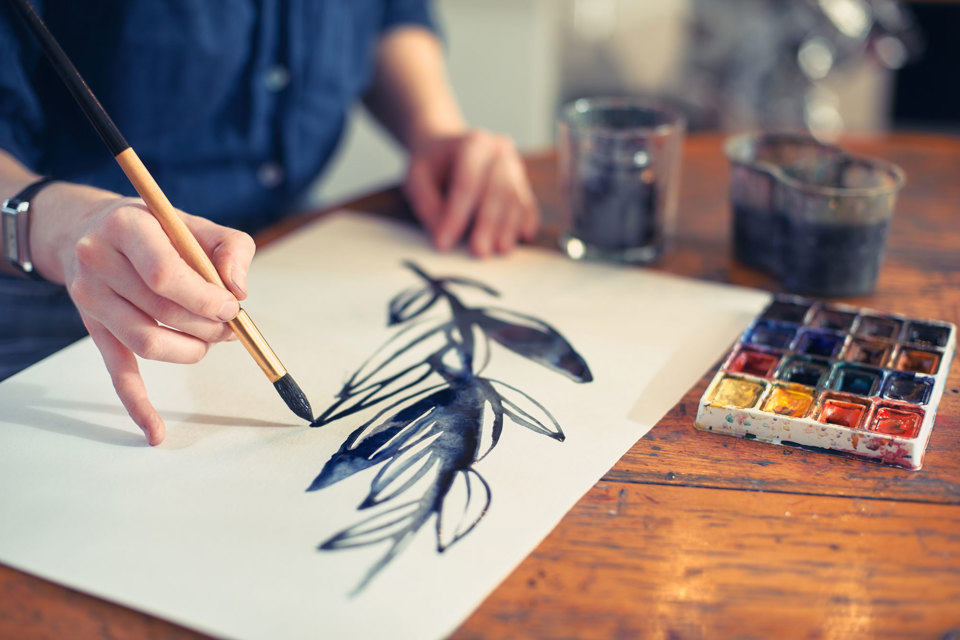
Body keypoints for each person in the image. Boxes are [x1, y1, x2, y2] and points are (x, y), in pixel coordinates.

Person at [0, 2, 540, 445]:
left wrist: (432, 127)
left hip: (295, 239)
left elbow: (386, 13)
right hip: (55, 279)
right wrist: (54, 225)